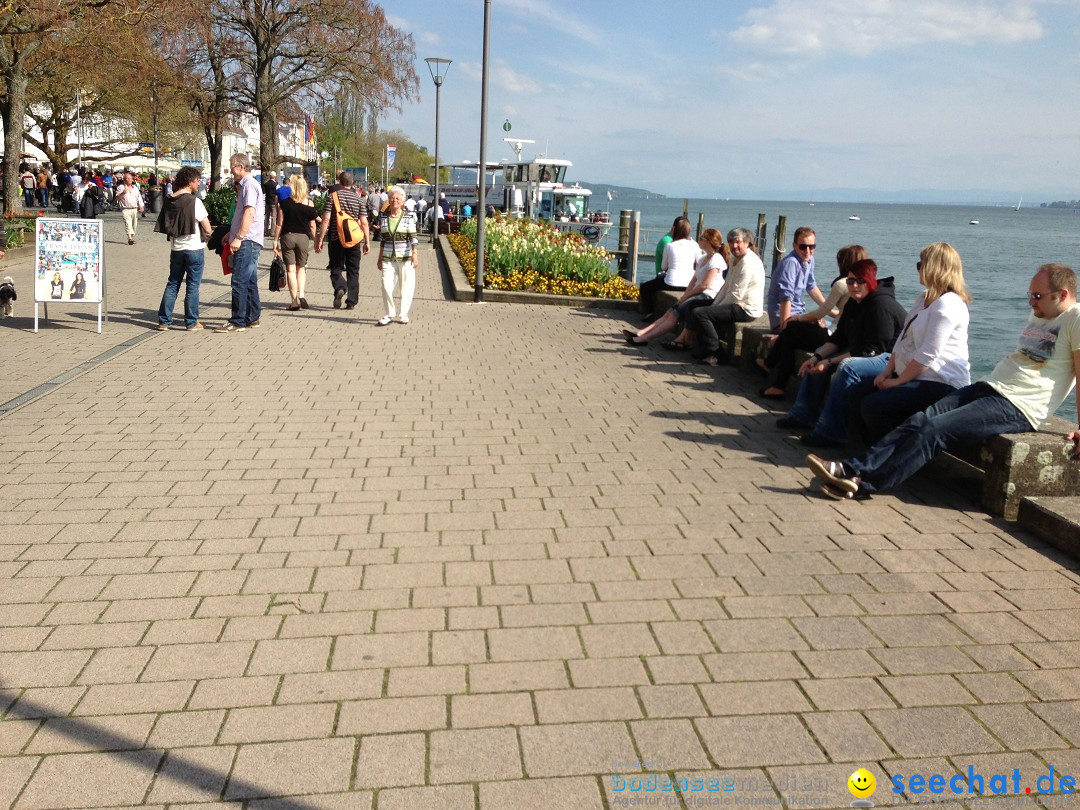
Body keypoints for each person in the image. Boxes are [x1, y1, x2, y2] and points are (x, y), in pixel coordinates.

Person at [809, 263, 1080, 500]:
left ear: (1063, 295)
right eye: (1030, 295)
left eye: (1037, 296)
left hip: (1018, 404)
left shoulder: (1075, 318)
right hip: (990, 386)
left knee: (935, 429)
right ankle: (852, 467)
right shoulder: (1043, 312)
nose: (1031, 302)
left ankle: (864, 484)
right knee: (919, 420)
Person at [777, 258, 907, 447]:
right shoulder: (854, 302)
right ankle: (803, 415)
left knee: (846, 367)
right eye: (850, 281)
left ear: (871, 280)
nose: (854, 286)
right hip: (866, 352)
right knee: (819, 361)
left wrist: (830, 363)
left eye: (860, 281)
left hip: (889, 358)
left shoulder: (881, 305)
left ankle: (831, 432)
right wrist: (818, 357)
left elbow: (872, 349)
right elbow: (840, 337)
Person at [858, 243, 971, 442]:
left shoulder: (949, 303)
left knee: (874, 405)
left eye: (921, 264)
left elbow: (929, 353)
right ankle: (874, 453)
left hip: (939, 381)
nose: (918, 269)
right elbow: (904, 337)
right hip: (914, 376)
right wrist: (887, 371)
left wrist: (898, 382)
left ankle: (890, 458)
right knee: (858, 391)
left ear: (935, 268)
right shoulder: (924, 298)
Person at [759, 245, 866, 399]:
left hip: (833, 336)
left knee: (791, 328)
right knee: (790, 338)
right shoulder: (863, 284)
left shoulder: (842, 284)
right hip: (845, 336)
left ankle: (771, 371)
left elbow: (821, 312)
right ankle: (776, 383)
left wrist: (798, 317)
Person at [623, 228, 727, 346]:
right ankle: (641, 333)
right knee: (669, 312)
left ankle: (645, 339)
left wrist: (687, 296)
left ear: (709, 241)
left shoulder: (716, 259)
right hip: (697, 294)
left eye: (702, 238)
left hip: (707, 296)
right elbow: (694, 280)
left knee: (673, 315)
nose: (699, 239)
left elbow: (705, 285)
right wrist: (684, 296)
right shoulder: (703, 258)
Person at [690, 227, 766, 364]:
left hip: (745, 308)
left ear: (747, 243)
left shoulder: (748, 262)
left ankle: (716, 353)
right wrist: (714, 306)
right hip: (735, 303)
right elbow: (726, 286)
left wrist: (714, 309)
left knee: (701, 314)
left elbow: (736, 295)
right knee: (695, 305)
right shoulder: (734, 259)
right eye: (731, 242)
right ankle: (706, 349)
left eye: (738, 242)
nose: (734, 246)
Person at [156, 166, 212, 332]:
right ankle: (191, 322)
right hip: (194, 247)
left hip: (176, 248)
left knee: (173, 283)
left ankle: (164, 320)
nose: (198, 183)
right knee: (193, 286)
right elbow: (207, 227)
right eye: (197, 180)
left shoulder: (169, 199)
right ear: (190, 182)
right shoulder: (194, 201)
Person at [214, 153, 264, 333]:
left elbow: (249, 213)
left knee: (239, 281)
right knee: (249, 280)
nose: (231, 170)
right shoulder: (247, 185)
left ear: (241, 167)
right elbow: (243, 214)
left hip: (248, 240)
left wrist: (239, 237)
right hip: (249, 239)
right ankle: (252, 317)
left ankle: (238, 321)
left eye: (232, 166)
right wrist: (231, 232)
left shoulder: (249, 185)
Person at [315, 170, 370, 311]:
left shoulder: (332, 197)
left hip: (336, 238)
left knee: (336, 267)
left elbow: (326, 219)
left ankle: (340, 286)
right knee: (353, 270)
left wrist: (320, 239)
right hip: (354, 239)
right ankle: (351, 301)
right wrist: (367, 242)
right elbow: (364, 222)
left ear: (339, 182)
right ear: (352, 183)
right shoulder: (358, 199)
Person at [273, 174, 320, 311]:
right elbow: (312, 226)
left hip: (288, 237)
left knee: (291, 270)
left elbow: (279, 224)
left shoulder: (285, 203)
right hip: (303, 238)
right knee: (301, 268)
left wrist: (275, 241)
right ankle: (302, 294)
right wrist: (317, 241)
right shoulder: (309, 203)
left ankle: (294, 302)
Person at [375, 185, 419, 325]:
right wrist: (379, 258)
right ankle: (389, 313)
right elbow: (383, 240)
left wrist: (415, 255)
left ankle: (403, 314)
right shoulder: (384, 218)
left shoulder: (408, 217)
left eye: (397, 198)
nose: (394, 200)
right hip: (388, 257)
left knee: (406, 286)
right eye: (392, 198)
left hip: (405, 257)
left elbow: (413, 238)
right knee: (385, 285)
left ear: (402, 201)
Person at [767, 228, 826, 332]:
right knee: (823, 332)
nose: (808, 251)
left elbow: (811, 286)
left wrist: (829, 309)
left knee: (829, 326)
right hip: (783, 319)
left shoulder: (809, 260)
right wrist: (784, 331)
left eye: (811, 246)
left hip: (799, 313)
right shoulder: (790, 263)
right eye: (803, 247)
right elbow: (786, 297)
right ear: (794, 246)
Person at [638, 217, 696, 320]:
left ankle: (650, 313)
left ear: (675, 230)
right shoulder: (694, 245)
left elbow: (663, 267)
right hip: (688, 284)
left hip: (671, 283)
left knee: (645, 287)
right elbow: (700, 262)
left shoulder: (669, 245)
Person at [115, 171, 144, 245]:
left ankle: (131, 236)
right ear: (124, 179)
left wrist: (141, 205)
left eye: (130, 178)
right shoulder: (121, 187)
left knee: (134, 225)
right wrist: (123, 193)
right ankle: (129, 238)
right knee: (128, 224)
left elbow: (139, 197)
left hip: (134, 208)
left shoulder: (135, 188)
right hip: (125, 209)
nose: (128, 180)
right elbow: (117, 198)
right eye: (127, 178)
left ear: (132, 179)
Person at [262, 171, 278, 235]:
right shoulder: (276, 185)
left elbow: (263, 192)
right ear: (275, 177)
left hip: (267, 202)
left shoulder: (266, 184)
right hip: (274, 203)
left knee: (267, 217)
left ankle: (265, 231)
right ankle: (272, 232)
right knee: (273, 217)